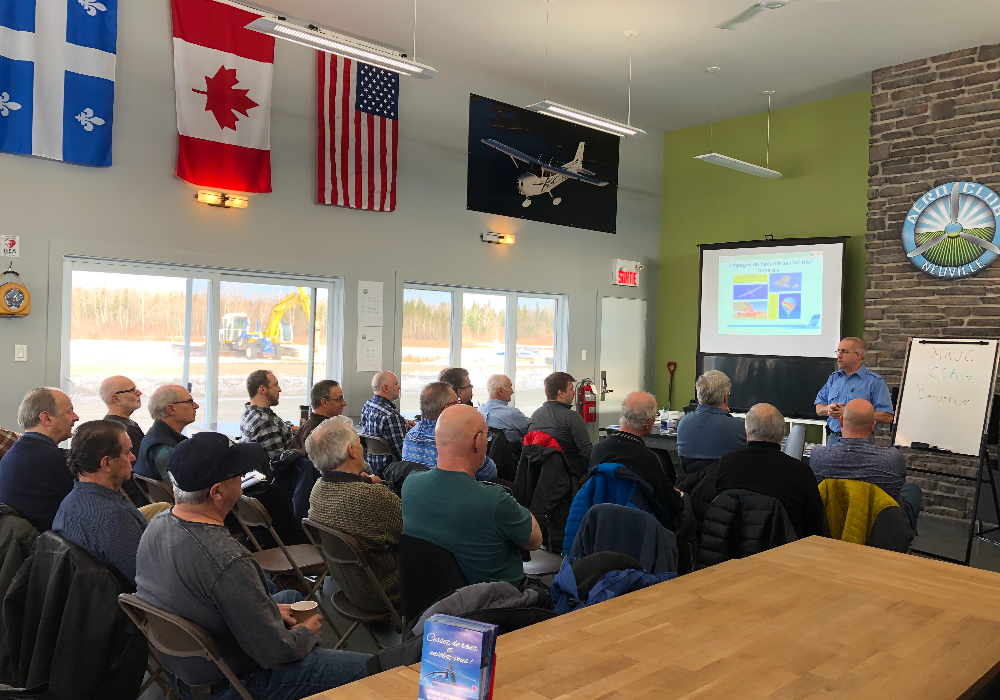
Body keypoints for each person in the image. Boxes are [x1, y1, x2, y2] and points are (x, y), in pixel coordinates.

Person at [135, 432, 369, 700]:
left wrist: (264, 612)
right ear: (217, 492)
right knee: (373, 668)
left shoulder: (157, 525)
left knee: (291, 599)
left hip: (186, 672)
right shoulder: (227, 559)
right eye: (239, 475)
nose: (244, 479)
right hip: (236, 684)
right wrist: (305, 635)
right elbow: (278, 653)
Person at [402, 405, 542, 585]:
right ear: (478, 441)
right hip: (501, 605)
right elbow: (535, 542)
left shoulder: (410, 485)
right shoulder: (494, 500)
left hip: (433, 604)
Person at [306, 416, 402, 613]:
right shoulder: (373, 497)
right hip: (388, 592)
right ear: (351, 451)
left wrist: (368, 485)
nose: (362, 449)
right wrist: (382, 490)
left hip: (351, 588)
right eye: (359, 444)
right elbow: (409, 532)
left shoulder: (318, 489)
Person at [52, 420, 149, 587]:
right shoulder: (115, 517)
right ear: (106, 463)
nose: (133, 458)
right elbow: (150, 581)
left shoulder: (71, 501)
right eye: (127, 453)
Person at [810, 398, 922, 539]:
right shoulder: (893, 458)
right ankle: (906, 537)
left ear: (841, 422)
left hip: (829, 528)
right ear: (872, 426)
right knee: (912, 489)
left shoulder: (818, 455)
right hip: (880, 533)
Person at [714, 403, 828, 539]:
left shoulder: (727, 464)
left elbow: (721, 512)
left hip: (732, 550)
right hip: (785, 553)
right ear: (781, 434)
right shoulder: (801, 472)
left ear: (748, 433)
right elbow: (815, 528)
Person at [590, 392, 684, 522]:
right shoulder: (652, 460)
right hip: (639, 527)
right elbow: (671, 508)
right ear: (649, 422)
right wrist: (679, 495)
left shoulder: (597, 451)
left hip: (600, 522)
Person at [0, 388, 79, 532]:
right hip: (49, 548)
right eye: (69, 411)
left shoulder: (11, 454)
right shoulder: (58, 460)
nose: (76, 417)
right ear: (47, 418)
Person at [403, 382, 498, 481]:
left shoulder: (409, 436)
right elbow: (489, 472)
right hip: (455, 494)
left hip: (419, 494)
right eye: (457, 402)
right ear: (447, 409)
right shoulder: (455, 440)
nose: (459, 404)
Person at [815, 337, 893, 446]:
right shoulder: (834, 378)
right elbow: (819, 408)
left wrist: (849, 414)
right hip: (834, 440)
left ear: (858, 355)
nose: (839, 356)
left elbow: (887, 416)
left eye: (844, 352)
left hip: (861, 443)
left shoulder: (875, 382)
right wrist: (829, 408)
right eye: (838, 351)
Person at [675, 370, 746, 472]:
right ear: (725, 397)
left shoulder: (684, 422)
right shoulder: (739, 428)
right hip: (723, 485)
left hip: (689, 485)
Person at [527, 372, 592, 476]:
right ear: (561, 393)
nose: (574, 393)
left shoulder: (535, 416)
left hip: (540, 477)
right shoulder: (572, 417)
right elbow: (587, 452)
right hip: (570, 476)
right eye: (571, 389)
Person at [135, 385, 199, 482]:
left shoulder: (156, 435)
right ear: (171, 409)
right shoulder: (164, 447)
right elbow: (186, 492)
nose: (196, 406)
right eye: (189, 402)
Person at [360, 371, 414, 477]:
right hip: (390, 471)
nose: (399, 387)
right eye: (396, 384)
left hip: (373, 466)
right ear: (385, 388)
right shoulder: (391, 416)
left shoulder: (367, 406)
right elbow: (403, 455)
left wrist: (401, 424)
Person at [241, 370, 297, 463]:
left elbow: (277, 426)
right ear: (262, 389)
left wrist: (294, 428)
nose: (279, 389)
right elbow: (281, 464)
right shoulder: (265, 422)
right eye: (275, 385)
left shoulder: (249, 413)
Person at [291, 380, 346, 452]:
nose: (344, 403)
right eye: (339, 399)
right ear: (324, 402)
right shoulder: (318, 433)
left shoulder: (310, 427)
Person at [100, 375, 145, 457]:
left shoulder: (108, 425)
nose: (139, 393)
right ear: (116, 399)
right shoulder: (125, 430)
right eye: (132, 390)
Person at [478, 374, 529, 441]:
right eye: (510, 387)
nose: (512, 391)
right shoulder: (512, 414)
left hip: (484, 450)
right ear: (500, 391)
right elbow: (532, 433)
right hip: (511, 451)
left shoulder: (479, 411)